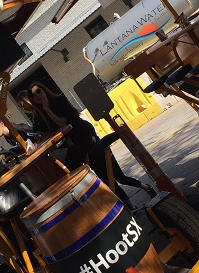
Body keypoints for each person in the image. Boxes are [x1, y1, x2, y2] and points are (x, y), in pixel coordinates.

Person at [27, 82, 155, 208]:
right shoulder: (40, 115)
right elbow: (50, 132)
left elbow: (62, 123)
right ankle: (131, 207)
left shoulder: (58, 101)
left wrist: (46, 108)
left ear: (44, 90)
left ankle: (145, 187)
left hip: (85, 137)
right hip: (77, 144)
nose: (38, 96)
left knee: (119, 177)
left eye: (39, 91)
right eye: (33, 96)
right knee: (106, 180)